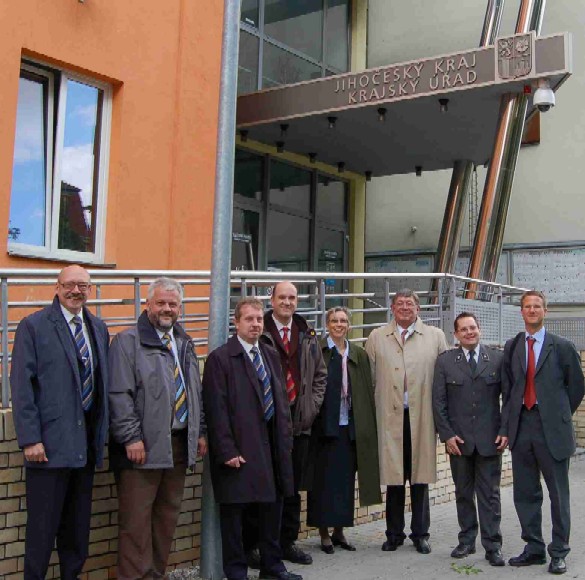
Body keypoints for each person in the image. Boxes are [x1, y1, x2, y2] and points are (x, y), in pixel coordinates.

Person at [10, 265, 109, 580]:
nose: (76, 291)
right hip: (48, 447)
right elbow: (21, 388)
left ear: (90, 290)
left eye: (83, 285)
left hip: (86, 448)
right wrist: (30, 439)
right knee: (41, 530)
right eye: (69, 284)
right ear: (57, 287)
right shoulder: (34, 326)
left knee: (77, 530)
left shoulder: (98, 328)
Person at [108, 277, 207, 580]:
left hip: (177, 445)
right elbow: (119, 394)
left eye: (172, 304)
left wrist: (199, 431)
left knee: (165, 519)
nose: (167, 308)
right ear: (147, 304)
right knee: (136, 523)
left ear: (180, 308)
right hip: (142, 447)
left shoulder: (184, 342)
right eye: (161, 303)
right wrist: (131, 437)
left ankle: (155, 575)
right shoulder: (127, 342)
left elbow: (193, 391)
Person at [203, 298, 302, 580]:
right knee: (235, 516)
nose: (256, 324)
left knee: (272, 509)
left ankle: (272, 566)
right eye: (249, 319)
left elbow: (281, 402)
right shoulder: (221, 359)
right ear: (236, 322)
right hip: (239, 449)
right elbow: (216, 409)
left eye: (259, 319)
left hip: (272, 447)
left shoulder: (270, 354)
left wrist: (286, 440)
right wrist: (226, 450)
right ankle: (236, 571)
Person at [243, 281, 326, 566]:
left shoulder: (307, 333)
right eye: (282, 297)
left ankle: (287, 542)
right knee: (263, 485)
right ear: (272, 299)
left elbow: (320, 376)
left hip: (299, 422)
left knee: (292, 487)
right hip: (267, 422)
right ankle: (253, 546)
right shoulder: (259, 328)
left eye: (292, 297)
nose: (287, 302)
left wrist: (311, 408)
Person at [502, 290, 584, 575]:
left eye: (537, 306)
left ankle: (559, 551)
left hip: (552, 431)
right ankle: (534, 548)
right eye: (527, 306)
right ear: (521, 312)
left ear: (545, 311)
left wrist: (557, 415)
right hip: (522, 428)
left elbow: (576, 388)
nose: (532, 310)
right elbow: (509, 388)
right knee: (525, 493)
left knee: (558, 495)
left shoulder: (561, 347)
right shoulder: (513, 346)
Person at [365, 288, 448, 554]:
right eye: (399, 303)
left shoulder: (435, 337)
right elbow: (370, 379)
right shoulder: (378, 337)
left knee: (420, 478)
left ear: (418, 308)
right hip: (390, 418)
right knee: (394, 478)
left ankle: (421, 534)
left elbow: (444, 380)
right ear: (392, 308)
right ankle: (394, 534)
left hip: (421, 417)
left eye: (409, 303)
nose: (404, 307)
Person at [432, 312, 507, 566]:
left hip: (490, 440)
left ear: (480, 329)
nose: (469, 332)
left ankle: (493, 545)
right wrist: (447, 435)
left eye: (472, 327)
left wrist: (505, 430)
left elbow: (508, 400)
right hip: (459, 442)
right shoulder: (445, 362)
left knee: (490, 496)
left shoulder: (497, 359)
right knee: (463, 494)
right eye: (463, 329)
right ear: (455, 334)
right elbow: (438, 402)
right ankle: (466, 540)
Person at [306, 307, 381, 553]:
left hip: (349, 426)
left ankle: (340, 531)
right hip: (324, 428)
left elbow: (366, 390)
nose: (339, 325)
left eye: (343, 321)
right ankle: (324, 533)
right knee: (324, 481)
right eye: (334, 321)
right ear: (327, 324)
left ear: (349, 324)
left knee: (346, 482)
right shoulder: (317, 349)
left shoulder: (357, 353)